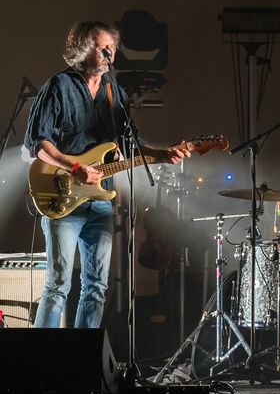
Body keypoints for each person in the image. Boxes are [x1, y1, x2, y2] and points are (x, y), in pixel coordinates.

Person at [24, 21, 188, 328]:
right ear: (82, 49)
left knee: (96, 288)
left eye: (112, 48)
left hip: (99, 201)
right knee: (58, 286)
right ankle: (41, 359)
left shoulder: (116, 92)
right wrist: (74, 167)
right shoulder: (59, 86)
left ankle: (82, 360)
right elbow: (37, 142)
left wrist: (162, 154)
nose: (109, 53)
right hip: (62, 195)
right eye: (102, 47)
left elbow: (129, 143)